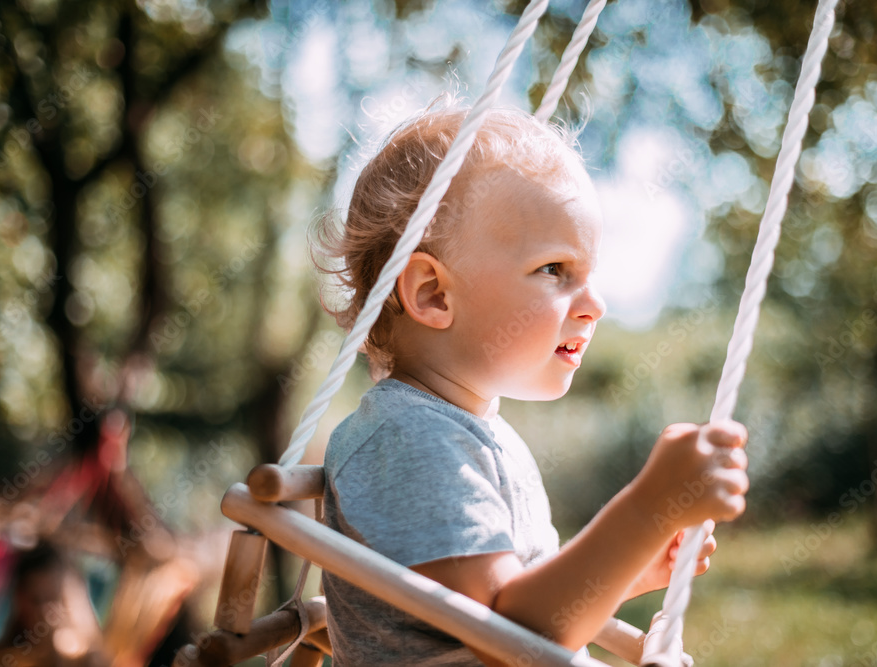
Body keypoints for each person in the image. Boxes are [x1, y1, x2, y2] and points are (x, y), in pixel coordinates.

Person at [313, 101, 749, 666]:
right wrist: (646, 512)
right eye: (554, 270)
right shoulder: (408, 439)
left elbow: (528, 605)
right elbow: (513, 639)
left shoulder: (469, 431)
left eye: (590, 275)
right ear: (432, 294)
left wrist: (633, 567)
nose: (595, 305)